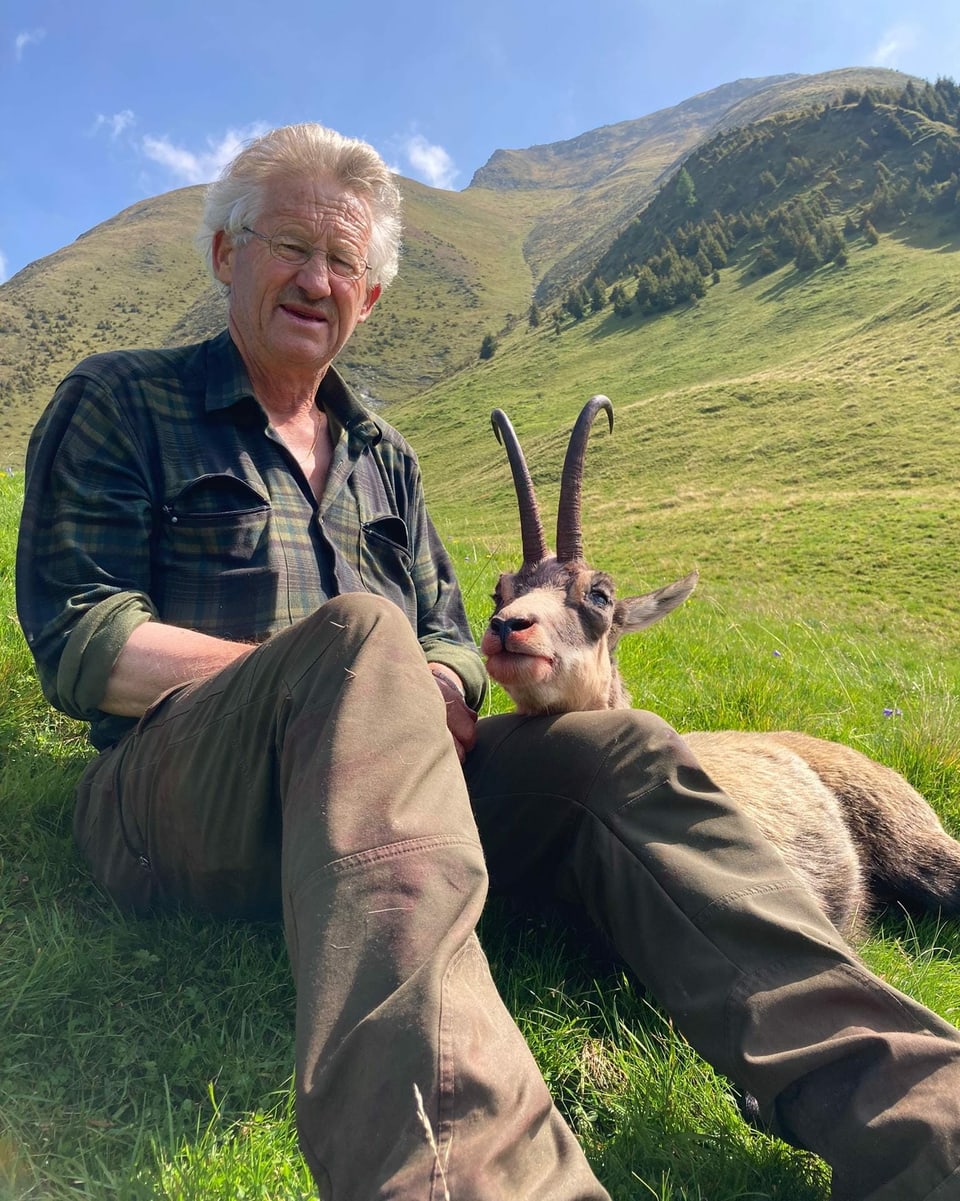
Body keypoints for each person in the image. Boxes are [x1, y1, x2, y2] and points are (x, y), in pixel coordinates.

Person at [15, 122, 960, 1201]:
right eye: (290, 247)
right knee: (365, 642)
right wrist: (344, 686)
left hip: (401, 798)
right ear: (228, 254)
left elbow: (454, 633)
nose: (318, 279)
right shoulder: (122, 404)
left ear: (370, 297)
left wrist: (449, 684)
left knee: (620, 746)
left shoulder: (388, 460)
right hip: (184, 795)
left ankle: (928, 1120)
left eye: (348, 265)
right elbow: (84, 637)